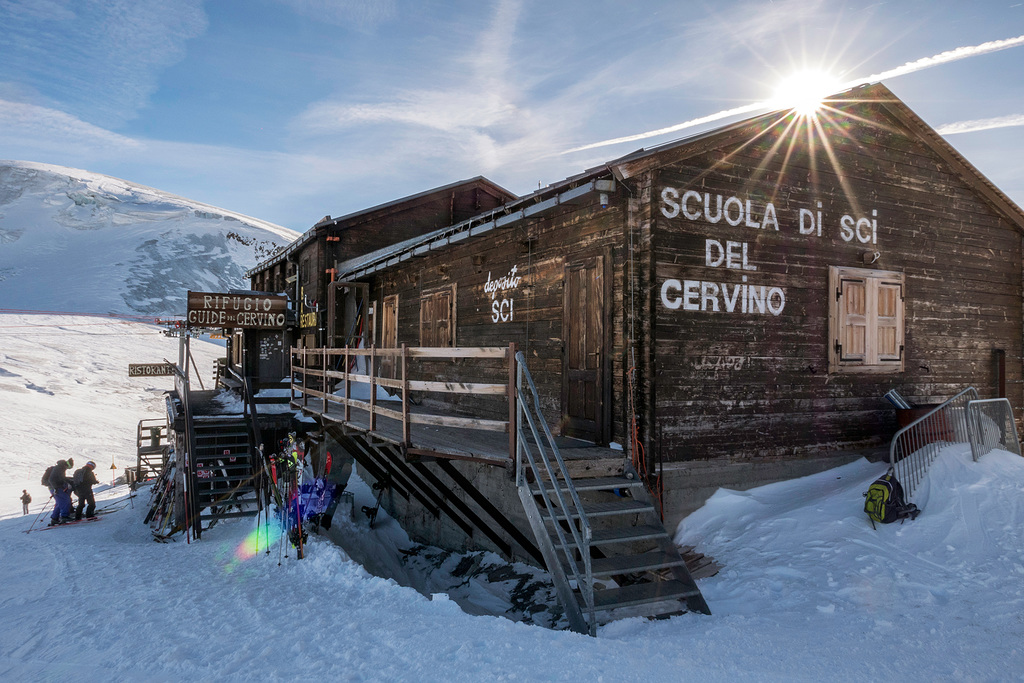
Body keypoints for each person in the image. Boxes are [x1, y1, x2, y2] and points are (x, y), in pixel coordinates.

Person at [48, 459, 74, 526]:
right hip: (56, 488)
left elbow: (61, 478)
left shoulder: (60, 467)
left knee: (59, 503)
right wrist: (55, 488)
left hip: (55, 487)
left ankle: (54, 518)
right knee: (66, 500)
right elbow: (51, 479)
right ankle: (64, 516)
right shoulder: (60, 468)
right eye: (70, 467)